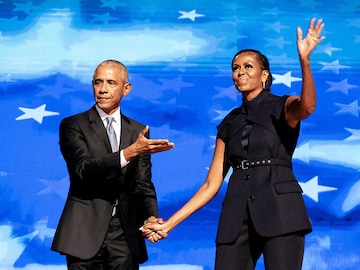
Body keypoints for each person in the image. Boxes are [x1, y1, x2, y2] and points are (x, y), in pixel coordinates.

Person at [141, 18, 325, 270]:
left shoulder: (282, 105)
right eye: (235, 67)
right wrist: (169, 224)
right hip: (236, 216)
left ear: (264, 75)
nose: (240, 72)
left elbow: (308, 107)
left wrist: (305, 61)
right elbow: (211, 184)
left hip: (281, 212)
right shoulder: (229, 122)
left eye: (248, 66)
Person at [51, 59, 174, 270]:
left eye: (111, 82)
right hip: (84, 233)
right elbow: (83, 169)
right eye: (98, 82)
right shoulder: (73, 125)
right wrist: (130, 152)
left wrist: (151, 217)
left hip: (124, 234)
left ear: (126, 89)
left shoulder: (138, 131)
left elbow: (142, 183)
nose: (103, 90)